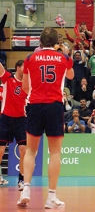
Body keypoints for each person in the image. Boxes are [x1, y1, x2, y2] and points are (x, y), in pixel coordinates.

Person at [17, 27, 74, 208]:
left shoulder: (29, 58)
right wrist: (64, 53)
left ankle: (25, 190)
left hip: (34, 105)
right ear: (56, 42)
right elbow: (71, 75)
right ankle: (51, 197)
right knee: (55, 152)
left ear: (40, 42)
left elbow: (25, 87)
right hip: (54, 106)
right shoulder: (64, 59)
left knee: (31, 150)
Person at [0, 60, 27, 190]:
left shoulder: (28, 84)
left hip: (21, 120)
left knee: (24, 150)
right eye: (24, 67)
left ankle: (21, 180)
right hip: (5, 118)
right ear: (18, 68)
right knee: (0, 151)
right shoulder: (7, 78)